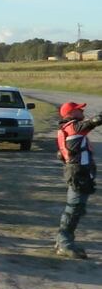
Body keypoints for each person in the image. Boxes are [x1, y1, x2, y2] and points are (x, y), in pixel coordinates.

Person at [55, 101, 102, 259]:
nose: (82, 111)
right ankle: (64, 243)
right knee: (74, 208)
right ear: (71, 113)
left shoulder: (65, 129)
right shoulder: (74, 126)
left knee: (74, 207)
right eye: (79, 109)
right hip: (79, 174)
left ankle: (63, 241)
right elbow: (96, 120)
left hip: (75, 172)